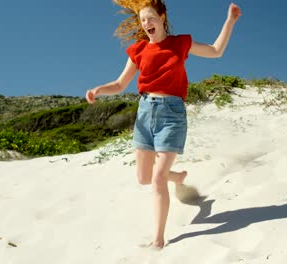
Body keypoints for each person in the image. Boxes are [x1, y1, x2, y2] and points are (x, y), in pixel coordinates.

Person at [86, 0, 241, 249]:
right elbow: (119, 84)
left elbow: (216, 50)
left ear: (162, 17)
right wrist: (98, 90)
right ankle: (177, 176)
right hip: (144, 115)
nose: (146, 23)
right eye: (142, 20)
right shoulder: (138, 50)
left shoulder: (179, 43)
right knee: (144, 177)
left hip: (172, 114)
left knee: (157, 180)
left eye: (150, 18)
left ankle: (158, 240)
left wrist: (230, 21)